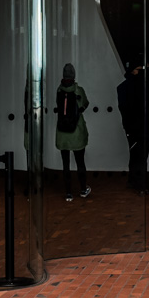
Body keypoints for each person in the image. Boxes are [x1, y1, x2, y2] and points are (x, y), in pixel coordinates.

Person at [53, 63, 92, 201]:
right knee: (80, 162)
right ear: (74, 75)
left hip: (62, 133)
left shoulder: (59, 90)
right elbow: (85, 103)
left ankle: (68, 193)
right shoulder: (78, 90)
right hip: (76, 132)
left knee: (66, 164)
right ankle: (83, 190)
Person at [118, 62, 149, 194]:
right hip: (141, 126)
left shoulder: (123, 87)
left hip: (131, 127)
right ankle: (141, 184)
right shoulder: (144, 87)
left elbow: (123, 108)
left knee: (135, 154)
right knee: (141, 157)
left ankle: (133, 180)